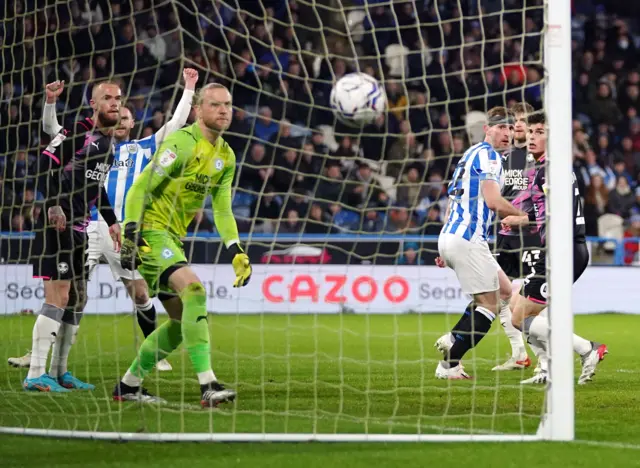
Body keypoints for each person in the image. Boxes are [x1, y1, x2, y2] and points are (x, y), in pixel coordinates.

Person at [8, 69, 199, 371]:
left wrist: (189, 88)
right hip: (83, 223)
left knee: (139, 292)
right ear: (97, 107)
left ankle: (153, 352)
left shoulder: (142, 148)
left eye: (125, 116)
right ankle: (43, 361)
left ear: (133, 123)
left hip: (116, 229)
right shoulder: (88, 138)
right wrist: (49, 102)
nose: (121, 120)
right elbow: (52, 133)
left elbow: (175, 124)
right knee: (72, 294)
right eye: (114, 110)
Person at [112, 83, 252, 407]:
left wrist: (235, 249)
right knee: (195, 292)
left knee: (178, 324)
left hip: (173, 238)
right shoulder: (181, 143)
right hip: (150, 233)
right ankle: (208, 385)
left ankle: (128, 385)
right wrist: (133, 231)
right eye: (215, 105)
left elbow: (222, 209)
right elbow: (140, 188)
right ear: (198, 109)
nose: (223, 110)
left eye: (228, 105)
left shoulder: (226, 156)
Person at [23, 81, 123, 392]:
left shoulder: (108, 145)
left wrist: (112, 221)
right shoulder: (76, 131)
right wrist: (53, 205)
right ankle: (35, 374)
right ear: (93, 104)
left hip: (81, 228)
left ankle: (60, 372)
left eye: (118, 98)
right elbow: (43, 165)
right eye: (107, 98)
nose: (114, 103)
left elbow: (98, 188)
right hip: (58, 225)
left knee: (78, 299)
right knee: (59, 296)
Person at [501, 112, 608, 385]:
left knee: (518, 316)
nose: (533, 137)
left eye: (540, 132)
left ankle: (587, 348)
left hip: (564, 250)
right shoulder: (547, 168)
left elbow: (557, 214)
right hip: (558, 250)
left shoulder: (549, 170)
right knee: (517, 307)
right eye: (532, 132)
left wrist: (520, 220)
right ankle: (547, 368)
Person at [434, 107, 526, 380]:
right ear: (487, 128)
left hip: (453, 235)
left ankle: (516, 353)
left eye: (510, 128)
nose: (507, 133)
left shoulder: (469, 154)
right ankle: (449, 364)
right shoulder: (490, 157)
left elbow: (453, 200)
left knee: (507, 291)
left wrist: (444, 244)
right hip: (468, 238)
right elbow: (493, 202)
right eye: (500, 127)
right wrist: (525, 216)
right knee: (488, 304)